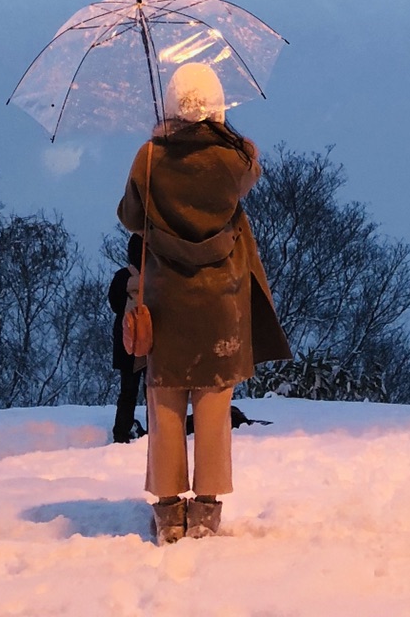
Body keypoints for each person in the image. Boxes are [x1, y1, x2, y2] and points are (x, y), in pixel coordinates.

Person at [118, 60, 289, 544]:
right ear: (217, 105)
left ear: (172, 104)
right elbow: (252, 170)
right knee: (213, 401)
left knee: (166, 401)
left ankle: (170, 512)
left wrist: (157, 150)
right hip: (221, 302)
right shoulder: (235, 161)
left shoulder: (148, 158)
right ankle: (209, 507)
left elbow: (131, 217)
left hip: (167, 301)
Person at [107, 231, 146, 443]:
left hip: (127, 342)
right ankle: (158, 433)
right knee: (154, 393)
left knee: (127, 392)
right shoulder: (156, 276)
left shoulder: (122, 277)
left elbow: (114, 305)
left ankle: (120, 433)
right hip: (151, 342)